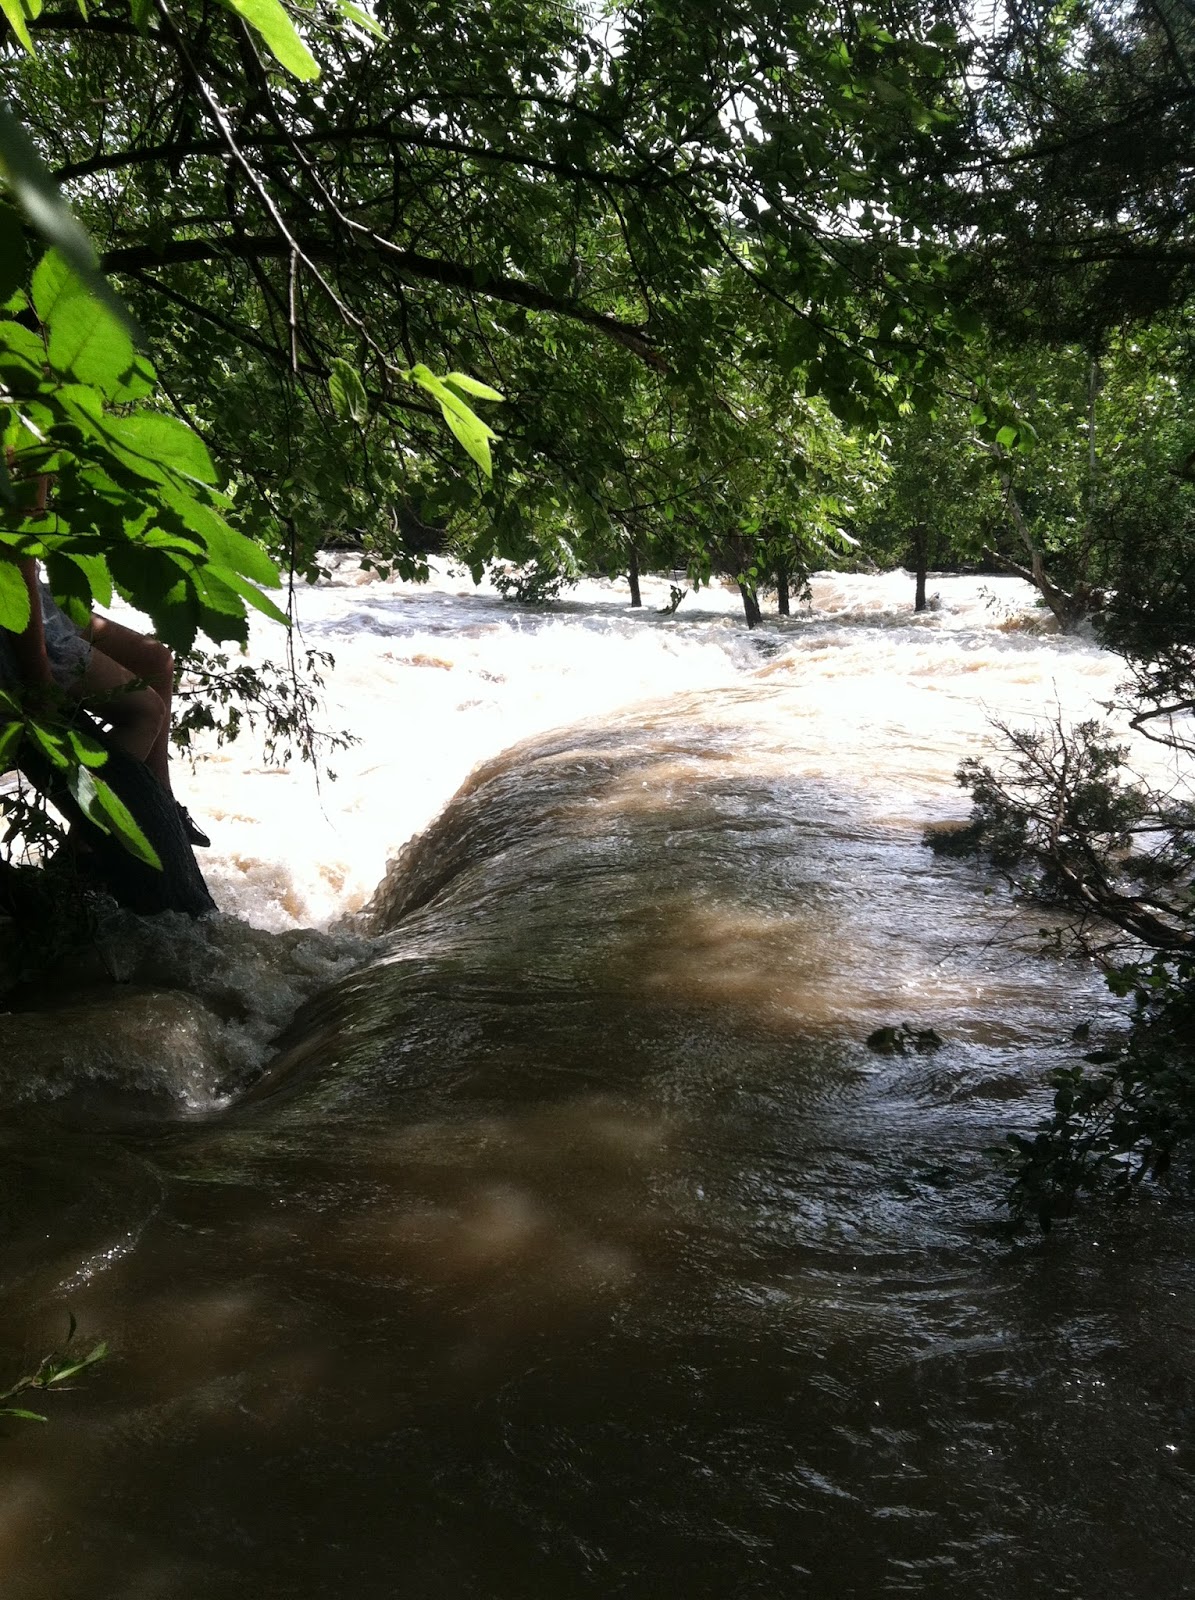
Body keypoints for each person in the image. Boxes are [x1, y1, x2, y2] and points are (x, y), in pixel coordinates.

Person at [0, 509, 211, 849]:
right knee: (145, 712)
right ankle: (79, 854)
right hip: (11, 603)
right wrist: (40, 677)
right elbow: (15, 555)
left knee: (156, 660)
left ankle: (162, 798)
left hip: (28, 593)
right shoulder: (22, 459)